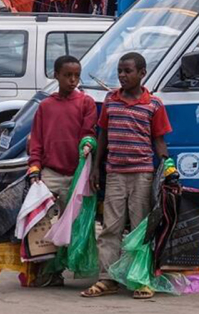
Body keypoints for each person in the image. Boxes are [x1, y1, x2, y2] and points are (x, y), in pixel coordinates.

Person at [82, 52, 171, 300]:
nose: (122, 75)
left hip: (142, 174)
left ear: (142, 73)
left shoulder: (154, 105)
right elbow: (103, 136)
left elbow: (159, 142)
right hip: (115, 175)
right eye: (120, 71)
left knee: (141, 228)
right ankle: (107, 278)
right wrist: (96, 167)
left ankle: (140, 278)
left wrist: (167, 170)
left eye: (127, 71)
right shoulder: (111, 101)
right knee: (111, 227)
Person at [22, 55, 97, 287]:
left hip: (76, 175)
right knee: (40, 224)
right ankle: (46, 269)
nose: (72, 80)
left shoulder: (86, 103)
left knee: (72, 224)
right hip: (50, 173)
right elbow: (37, 141)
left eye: (76, 75)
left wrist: (87, 144)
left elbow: (90, 132)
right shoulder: (45, 106)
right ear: (56, 75)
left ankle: (66, 266)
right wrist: (34, 167)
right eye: (67, 75)